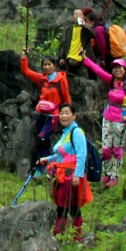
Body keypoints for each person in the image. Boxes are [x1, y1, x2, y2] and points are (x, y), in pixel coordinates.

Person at [82, 55, 126, 187]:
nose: (117, 70)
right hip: (107, 118)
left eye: (119, 67)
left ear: (124, 69)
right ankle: (108, 173)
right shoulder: (112, 81)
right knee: (106, 149)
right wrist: (85, 59)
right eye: (114, 68)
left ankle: (115, 176)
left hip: (120, 120)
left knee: (117, 149)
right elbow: (98, 71)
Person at [42, 102, 93, 238]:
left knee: (67, 206)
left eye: (67, 113)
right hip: (62, 174)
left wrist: (78, 175)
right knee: (69, 205)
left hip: (70, 175)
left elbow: (81, 154)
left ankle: (64, 235)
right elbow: (60, 155)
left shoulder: (76, 132)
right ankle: (72, 235)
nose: (63, 116)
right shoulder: (65, 133)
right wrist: (46, 159)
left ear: (74, 116)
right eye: (62, 113)